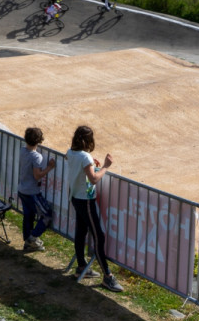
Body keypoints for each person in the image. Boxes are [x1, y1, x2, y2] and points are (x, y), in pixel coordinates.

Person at [67, 125, 123, 292]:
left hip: (75, 197)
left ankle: (81, 267)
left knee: (81, 232)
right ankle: (108, 276)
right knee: (99, 236)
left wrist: (91, 165)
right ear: (88, 140)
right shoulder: (85, 157)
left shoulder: (71, 152)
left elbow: (80, 167)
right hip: (86, 201)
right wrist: (105, 166)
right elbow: (93, 179)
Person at [18, 127, 55, 252]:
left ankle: (28, 241)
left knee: (28, 215)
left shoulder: (22, 150)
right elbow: (37, 175)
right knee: (47, 215)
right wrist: (49, 167)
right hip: (32, 192)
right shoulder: (36, 156)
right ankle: (32, 238)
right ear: (39, 141)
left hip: (22, 189)